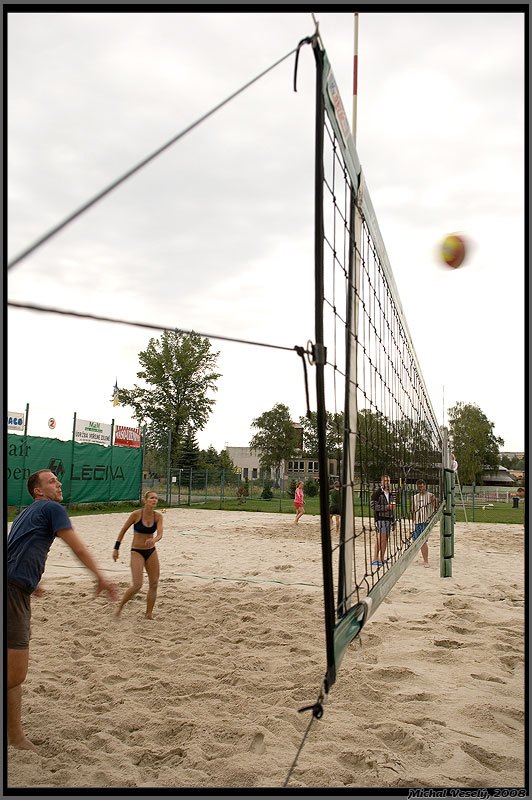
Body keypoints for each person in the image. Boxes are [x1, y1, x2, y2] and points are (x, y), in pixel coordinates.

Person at [7, 469, 118, 752]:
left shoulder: (25, 513)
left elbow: (13, 551)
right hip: (11, 594)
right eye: (51, 481)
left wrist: (29, 582)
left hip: (15, 588)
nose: (58, 483)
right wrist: (100, 577)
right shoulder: (52, 508)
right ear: (38, 491)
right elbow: (77, 548)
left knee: (11, 673)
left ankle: (16, 737)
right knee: (15, 675)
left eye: (57, 479)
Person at [113, 490, 164, 619]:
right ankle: (120, 606)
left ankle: (148, 614)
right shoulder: (136, 514)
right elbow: (123, 530)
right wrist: (116, 548)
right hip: (137, 551)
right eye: (152, 498)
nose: (154, 500)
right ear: (145, 500)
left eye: (156, 498)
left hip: (151, 551)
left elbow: (160, 534)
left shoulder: (158, 516)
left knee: (154, 583)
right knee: (137, 585)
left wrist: (154, 540)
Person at [412, 479, 438, 567]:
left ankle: (426, 561)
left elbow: (435, 507)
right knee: (416, 541)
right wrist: (413, 522)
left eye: (422, 486)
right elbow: (413, 510)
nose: (421, 488)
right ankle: (415, 558)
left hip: (426, 521)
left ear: (425, 486)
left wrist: (435, 501)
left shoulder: (430, 496)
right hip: (417, 522)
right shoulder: (415, 497)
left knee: (423, 541)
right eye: (419, 486)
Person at [370, 474, 396, 566]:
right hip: (380, 519)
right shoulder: (377, 493)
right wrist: (386, 507)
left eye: (388, 481)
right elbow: (373, 506)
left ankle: (381, 558)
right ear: (381, 482)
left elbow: (393, 508)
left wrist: (393, 521)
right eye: (385, 481)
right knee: (380, 538)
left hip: (389, 519)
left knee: (385, 539)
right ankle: (375, 559)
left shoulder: (391, 494)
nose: (387, 482)